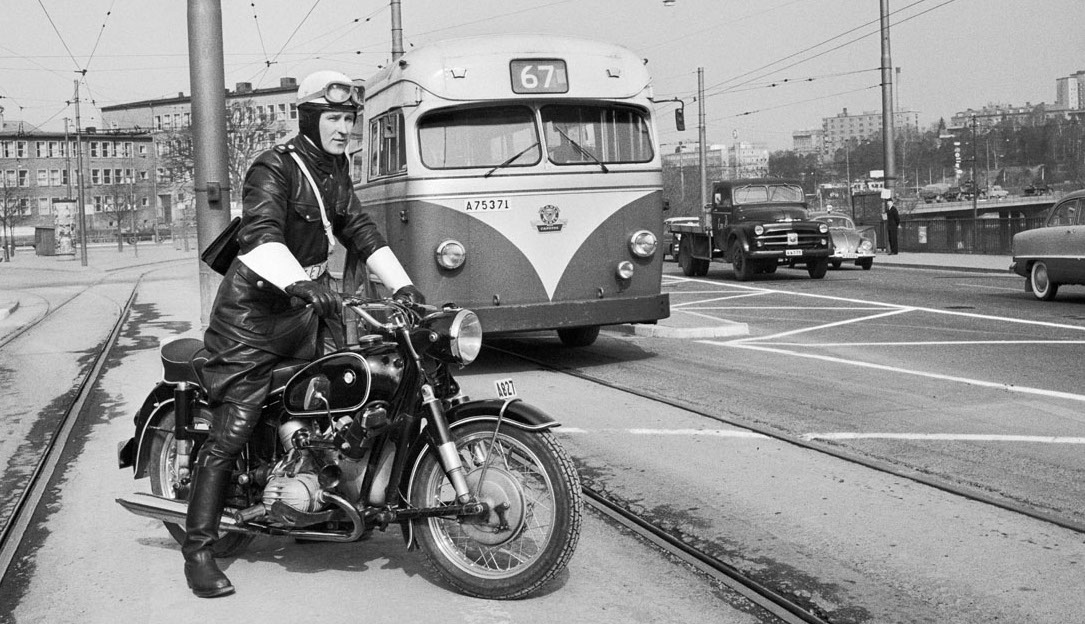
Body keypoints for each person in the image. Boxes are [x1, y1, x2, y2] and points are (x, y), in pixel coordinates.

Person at [181, 70, 424, 599]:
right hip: (252, 318)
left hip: (306, 311)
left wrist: (405, 288)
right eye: (335, 118)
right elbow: (259, 235)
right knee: (235, 428)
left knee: (334, 405)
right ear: (310, 118)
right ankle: (199, 550)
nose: (344, 129)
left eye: (349, 119)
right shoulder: (274, 167)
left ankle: (313, 502)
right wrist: (297, 282)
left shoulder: (336, 169)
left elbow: (359, 229)